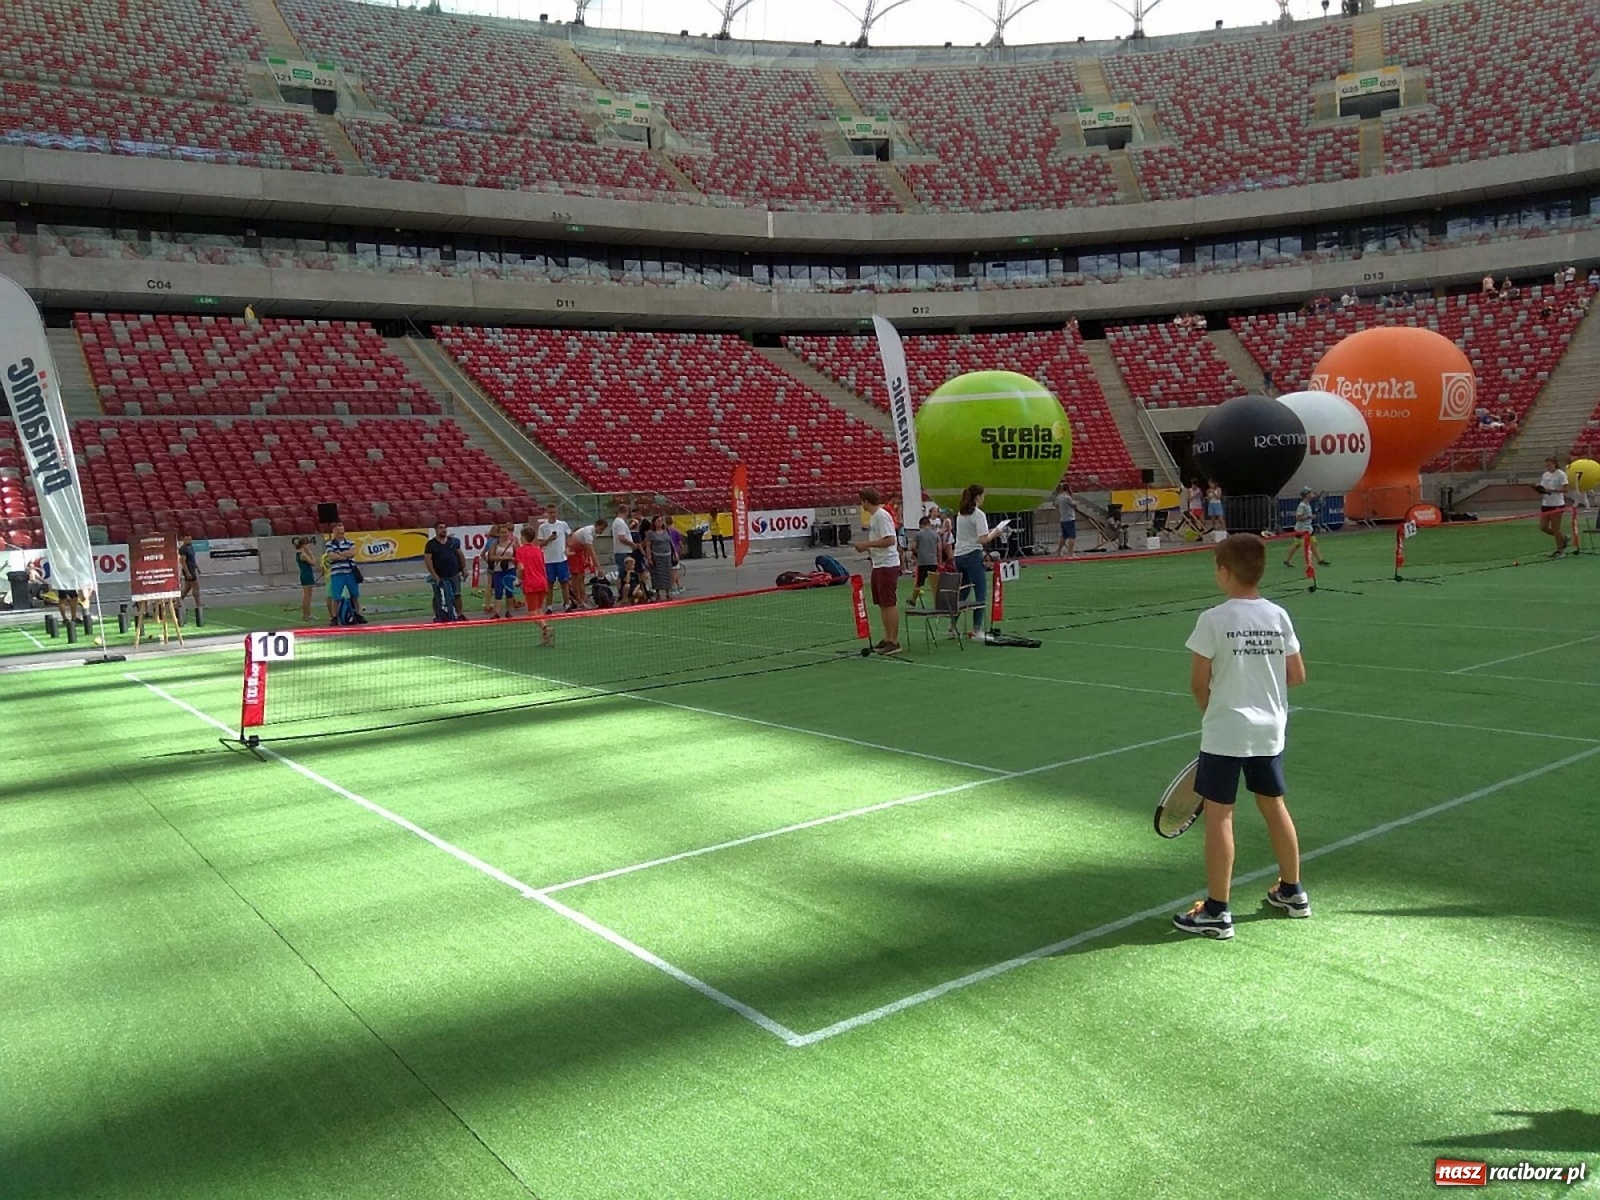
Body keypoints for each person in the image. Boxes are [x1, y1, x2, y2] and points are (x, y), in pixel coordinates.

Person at [1173, 533, 1309, 940]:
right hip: (1270, 730)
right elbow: (1297, 675)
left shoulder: (1213, 619)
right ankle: (1292, 891)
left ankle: (1216, 910)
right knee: (1274, 805)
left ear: (1224, 571)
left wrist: (1217, 712)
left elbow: (1199, 684)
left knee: (1220, 815)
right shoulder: (1278, 615)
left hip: (1226, 731)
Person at [950, 483, 1005, 643]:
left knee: (963, 591)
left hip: (959, 554)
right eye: (983, 495)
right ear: (978, 496)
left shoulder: (962, 513)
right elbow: (982, 539)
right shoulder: (978, 514)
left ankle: (953, 625)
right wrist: (996, 532)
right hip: (972, 555)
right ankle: (976, 629)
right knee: (980, 592)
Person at [852, 486, 902, 654]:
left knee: (889, 602)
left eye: (862, 501)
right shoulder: (874, 518)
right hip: (879, 563)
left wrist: (867, 545)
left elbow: (889, 540)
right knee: (882, 603)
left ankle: (894, 640)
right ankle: (887, 637)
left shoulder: (882, 516)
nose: (861, 505)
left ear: (866, 501)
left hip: (887, 564)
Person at [514, 526, 554, 645]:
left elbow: (521, 567)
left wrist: (519, 579)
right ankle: (545, 637)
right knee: (539, 610)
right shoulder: (538, 550)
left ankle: (546, 628)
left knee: (532, 613)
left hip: (531, 583)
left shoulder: (520, 551)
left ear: (524, 537)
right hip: (542, 581)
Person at [536, 503, 576, 611]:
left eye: (554, 512)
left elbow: (571, 534)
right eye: (550, 513)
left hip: (561, 558)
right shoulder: (543, 527)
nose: (553, 515)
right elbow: (539, 543)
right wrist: (548, 539)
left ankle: (567, 604)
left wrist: (568, 546)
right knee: (549, 584)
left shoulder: (562, 524)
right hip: (549, 560)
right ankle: (549, 606)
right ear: (547, 514)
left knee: (564, 582)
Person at [424, 521, 464, 622]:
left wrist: (464, 568)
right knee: (438, 596)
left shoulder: (453, 542)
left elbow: (460, 555)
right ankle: (438, 615)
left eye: (445, 527)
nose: (444, 530)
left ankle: (460, 614)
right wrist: (434, 575)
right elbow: (428, 560)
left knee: (457, 595)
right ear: (436, 530)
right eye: (441, 528)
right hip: (440, 575)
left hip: (453, 573)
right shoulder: (431, 545)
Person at [324, 521, 363, 624]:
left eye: (342, 530)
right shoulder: (329, 543)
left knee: (355, 595)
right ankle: (334, 617)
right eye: (338, 530)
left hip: (350, 572)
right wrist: (345, 555)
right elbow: (331, 556)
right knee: (336, 597)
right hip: (337, 574)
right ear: (334, 531)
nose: (341, 532)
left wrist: (339, 554)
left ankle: (358, 614)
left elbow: (353, 553)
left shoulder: (350, 542)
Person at [1282, 488, 1329, 568]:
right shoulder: (1302, 505)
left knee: (1312, 543)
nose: (1312, 494)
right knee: (1298, 544)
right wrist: (1310, 517)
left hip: (1308, 528)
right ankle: (1287, 560)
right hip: (1301, 529)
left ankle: (1320, 560)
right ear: (1307, 495)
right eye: (1310, 493)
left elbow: (1315, 497)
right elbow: (1298, 518)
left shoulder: (1308, 503)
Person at [1538, 456, 1570, 557]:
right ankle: (1563, 537)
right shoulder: (1545, 474)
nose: (1548, 467)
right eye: (1546, 465)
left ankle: (1560, 550)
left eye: (1549, 465)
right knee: (1543, 527)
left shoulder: (1561, 474)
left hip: (1557, 504)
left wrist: (1552, 490)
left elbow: (1565, 489)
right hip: (1546, 504)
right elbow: (1543, 487)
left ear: (1554, 464)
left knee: (1556, 528)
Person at [485, 523, 519, 617]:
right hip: (498, 570)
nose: (504, 534)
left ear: (508, 532)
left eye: (505, 532)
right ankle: (497, 612)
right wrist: (504, 558)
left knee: (509, 591)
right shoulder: (495, 543)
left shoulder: (513, 543)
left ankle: (509, 611)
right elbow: (491, 556)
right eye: (502, 532)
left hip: (510, 569)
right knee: (498, 591)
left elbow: (517, 555)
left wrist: (514, 561)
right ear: (499, 534)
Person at [567, 517, 603, 606]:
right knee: (576, 578)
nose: (601, 532)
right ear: (597, 525)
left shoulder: (592, 533)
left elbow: (586, 548)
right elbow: (591, 551)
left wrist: (586, 559)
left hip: (579, 553)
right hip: (573, 553)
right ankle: (578, 599)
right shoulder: (588, 532)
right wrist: (598, 567)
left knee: (581, 577)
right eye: (601, 529)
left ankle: (582, 597)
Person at [907, 515, 941, 607]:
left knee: (919, 583)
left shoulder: (918, 534)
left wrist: (918, 553)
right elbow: (939, 548)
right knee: (935, 584)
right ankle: (938, 602)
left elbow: (913, 547)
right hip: (933, 561)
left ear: (921, 525)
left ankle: (913, 600)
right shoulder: (935, 534)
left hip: (922, 562)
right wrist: (939, 561)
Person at [644, 514, 676, 600]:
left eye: (661, 520)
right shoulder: (650, 533)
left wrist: (675, 553)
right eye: (658, 521)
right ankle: (658, 593)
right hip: (657, 556)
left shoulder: (666, 531)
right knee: (657, 575)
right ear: (654, 523)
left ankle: (668, 592)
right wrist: (649, 558)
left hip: (667, 556)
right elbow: (648, 545)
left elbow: (671, 542)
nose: (660, 522)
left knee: (668, 574)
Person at [293, 536, 319, 621]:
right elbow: (313, 563)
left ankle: (308, 614)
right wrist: (310, 553)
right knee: (307, 596)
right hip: (307, 575)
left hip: (304, 574)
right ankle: (306, 615)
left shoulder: (298, 553)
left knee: (308, 595)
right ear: (304, 545)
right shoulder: (303, 555)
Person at [610, 504, 637, 582]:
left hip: (623, 551)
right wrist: (632, 544)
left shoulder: (618, 522)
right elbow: (622, 537)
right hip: (623, 551)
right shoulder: (620, 522)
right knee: (623, 573)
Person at [178, 534, 200, 620]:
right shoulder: (183, 549)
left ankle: (178, 602)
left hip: (192, 569)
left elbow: (193, 559)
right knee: (196, 587)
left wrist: (197, 567)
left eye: (190, 539)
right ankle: (198, 604)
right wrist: (187, 572)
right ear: (183, 540)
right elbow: (183, 562)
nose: (189, 541)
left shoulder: (191, 547)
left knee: (187, 588)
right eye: (187, 539)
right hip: (188, 570)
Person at [1052, 486, 1077, 556]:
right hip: (1069, 518)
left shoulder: (1058, 497)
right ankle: (1071, 553)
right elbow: (1074, 505)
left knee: (1064, 536)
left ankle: (1058, 551)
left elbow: (1054, 504)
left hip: (1063, 518)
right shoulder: (1067, 498)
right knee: (1072, 536)